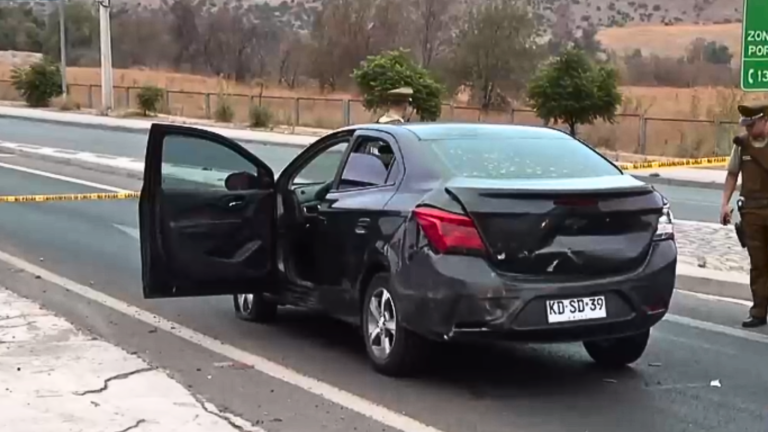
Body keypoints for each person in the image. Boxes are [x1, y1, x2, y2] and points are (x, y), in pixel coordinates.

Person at [720, 101, 768, 328]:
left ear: (765, 121)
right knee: (758, 265)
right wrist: (724, 204)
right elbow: (732, 175)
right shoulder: (742, 145)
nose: (747, 129)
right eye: (746, 125)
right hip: (752, 212)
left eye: (752, 124)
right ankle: (759, 311)